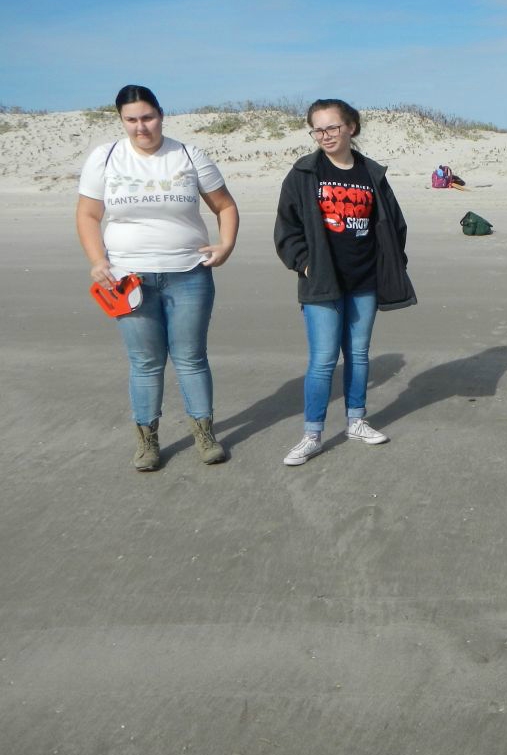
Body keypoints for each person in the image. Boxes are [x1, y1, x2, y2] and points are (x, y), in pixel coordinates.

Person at [77, 85, 240, 471]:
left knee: (190, 357)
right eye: (131, 120)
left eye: (147, 117)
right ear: (121, 121)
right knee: (145, 362)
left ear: (161, 115)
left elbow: (225, 205)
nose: (141, 127)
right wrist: (97, 259)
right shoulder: (105, 158)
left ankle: (204, 433)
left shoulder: (187, 154)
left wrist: (226, 244)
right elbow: (87, 215)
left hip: (188, 274)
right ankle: (147, 441)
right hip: (127, 280)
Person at [274, 98, 412, 466]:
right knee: (322, 360)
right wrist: (303, 265)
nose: (325, 135)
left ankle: (356, 421)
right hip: (321, 283)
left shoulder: (372, 173)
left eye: (332, 127)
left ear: (351, 127)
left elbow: (394, 224)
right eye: (318, 129)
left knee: (359, 354)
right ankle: (312, 434)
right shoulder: (304, 173)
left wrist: (392, 263)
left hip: (364, 281)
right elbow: (286, 229)